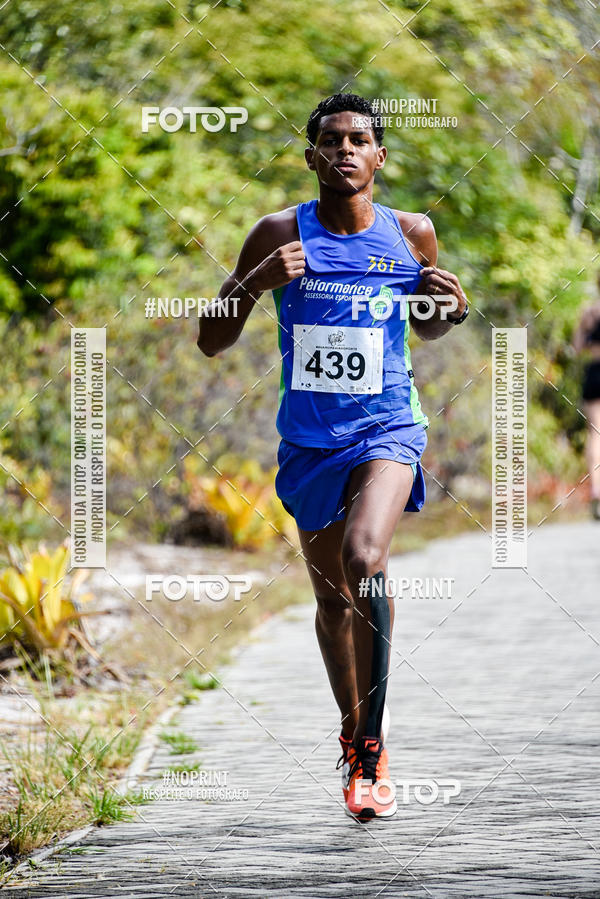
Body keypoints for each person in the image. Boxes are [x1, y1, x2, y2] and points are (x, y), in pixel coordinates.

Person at [198, 93, 469, 820]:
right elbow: (211, 341)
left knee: (364, 556)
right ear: (311, 156)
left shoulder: (412, 233)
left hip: (389, 428)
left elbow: (428, 326)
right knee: (330, 601)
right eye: (331, 140)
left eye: (358, 139)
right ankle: (352, 734)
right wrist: (250, 283)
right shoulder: (277, 233)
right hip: (309, 441)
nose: (345, 149)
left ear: (379, 157)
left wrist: (449, 306)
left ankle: (373, 746)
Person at [573, 280, 600, 520]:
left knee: (595, 434)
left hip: (594, 371)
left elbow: (577, 347)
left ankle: (596, 490)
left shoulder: (590, 311)